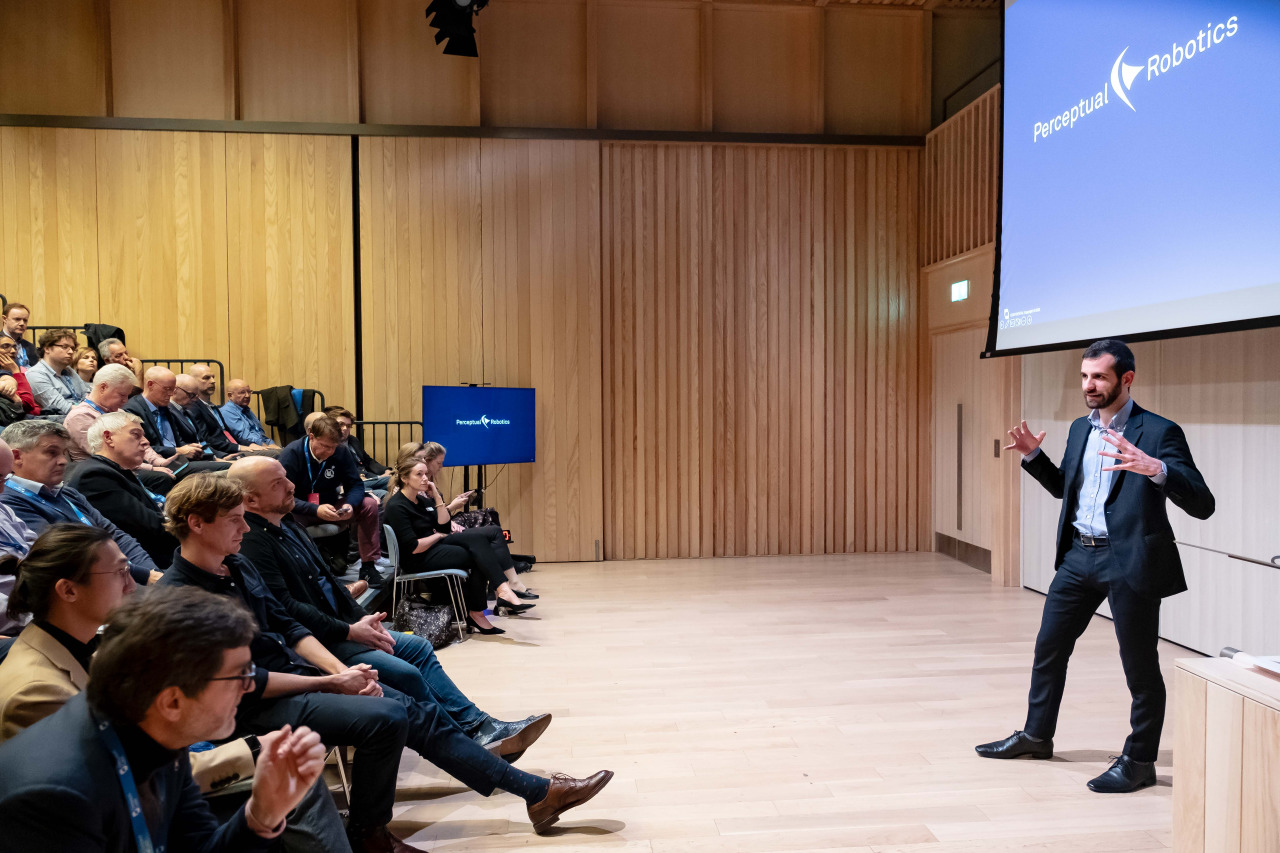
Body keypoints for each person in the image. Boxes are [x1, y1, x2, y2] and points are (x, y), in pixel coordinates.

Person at [158, 473, 614, 851]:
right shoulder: (182, 596)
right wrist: (329, 683)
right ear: (196, 524)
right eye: (234, 519)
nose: (244, 526)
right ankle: (369, 835)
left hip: (297, 677)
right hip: (252, 706)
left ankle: (534, 793)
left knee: (410, 708)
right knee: (389, 715)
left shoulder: (235, 564)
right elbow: (241, 681)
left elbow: (290, 627)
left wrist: (341, 672)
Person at [0, 525, 352, 852]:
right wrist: (255, 749)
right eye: (238, 676)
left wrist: (263, 814)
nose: (248, 686)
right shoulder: (57, 794)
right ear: (171, 702)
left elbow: (200, 845)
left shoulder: (162, 743)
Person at [976, 339, 1216, 793]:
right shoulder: (1079, 429)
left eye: (1100, 377)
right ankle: (1036, 736)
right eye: (1085, 376)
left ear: (1127, 379)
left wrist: (1157, 470)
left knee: (1139, 667)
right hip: (1078, 557)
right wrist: (1033, 457)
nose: (1089, 385)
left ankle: (1140, 761)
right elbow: (1066, 489)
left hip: (1130, 561)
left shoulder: (1158, 431)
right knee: (1049, 648)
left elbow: (1203, 504)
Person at [231, 456, 551, 759]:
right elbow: (288, 610)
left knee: (419, 646)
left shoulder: (288, 525)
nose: (291, 486)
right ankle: (465, 740)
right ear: (251, 499)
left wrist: (366, 621)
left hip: (342, 628)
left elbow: (329, 583)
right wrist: (351, 630)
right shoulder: (253, 542)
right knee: (407, 672)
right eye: (278, 483)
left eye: (286, 477)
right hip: (320, 643)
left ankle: (477, 726)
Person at [0, 419, 159, 586]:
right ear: (17, 457)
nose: (63, 461)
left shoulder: (68, 493)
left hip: (125, 576)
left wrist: (152, 572)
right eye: (52, 453)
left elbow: (115, 535)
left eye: (64, 453)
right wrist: (144, 576)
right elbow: (68, 557)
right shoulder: (10, 503)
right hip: (93, 586)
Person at [384, 457, 533, 635]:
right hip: (417, 558)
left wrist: (436, 496)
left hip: (434, 546)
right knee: (480, 555)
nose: (425, 478)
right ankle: (484, 606)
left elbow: (444, 526)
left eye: (426, 474)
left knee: (482, 542)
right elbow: (414, 547)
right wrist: (438, 535)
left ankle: (499, 593)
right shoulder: (397, 506)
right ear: (404, 478)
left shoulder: (422, 501)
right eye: (419, 474)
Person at [389, 441, 536, 599]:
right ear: (406, 472)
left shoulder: (423, 492)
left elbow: (437, 521)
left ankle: (503, 589)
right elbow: (418, 539)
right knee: (481, 548)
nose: (425, 470)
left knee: (490, 529)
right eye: (421, 461)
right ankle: (499, 592)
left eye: (424, 462)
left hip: (435, 537)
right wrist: (448, 515)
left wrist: (438, 500)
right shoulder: (401, 500)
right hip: (424, 550)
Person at [278, 416, 385, 589]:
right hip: (300, 509)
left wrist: (350, 504)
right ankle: (306, 574)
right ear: (311, 436)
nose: (329, 451)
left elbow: (355, 484)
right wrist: (315, 509)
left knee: (369, 505)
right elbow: (282, 497)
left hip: (332, 507)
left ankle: (368, 566)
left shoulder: (340, 451)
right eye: (325, 446)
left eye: (333, 447)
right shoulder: (292, 453)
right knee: (286, 518)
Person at [65, 411, 179, 569]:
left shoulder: (115, 470)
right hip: (150, 565)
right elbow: (150, 528)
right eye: (136, 435)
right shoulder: (94, 477)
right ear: (108, 438)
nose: (146, 442)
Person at [124, 366, 228, 473]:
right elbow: (140, 448)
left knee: (230, 466)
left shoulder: (166, 408)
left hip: (180, 461)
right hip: (161, 465)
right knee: (227, 468)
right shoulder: (132, 409)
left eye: (173, 389)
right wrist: (178, 450)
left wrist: (189, 448)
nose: (171, 394)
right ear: (151, 385)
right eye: (167, 389)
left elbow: (176, 442)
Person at [177, 373, 273, 456]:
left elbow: (227, 434)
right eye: (206, 378)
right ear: (193, 381)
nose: (213, 381)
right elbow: (205, 439)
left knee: (274, 454)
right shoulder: (193, 408)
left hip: (232, 447)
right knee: (273, 455)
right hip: (223, 451)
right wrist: (237, 448)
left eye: (213, 377)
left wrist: (248, 444)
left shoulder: (212, 407)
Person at [0, 439, 37, 642]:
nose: (2, 491)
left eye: (6, 479)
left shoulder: (3, 510)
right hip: (18, 628)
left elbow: (38, 548)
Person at [325, 406, 389, 492]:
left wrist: (385, 470)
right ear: (331, 425)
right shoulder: (330, 446)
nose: (345, 428)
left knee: (394, 482)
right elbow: (345, 470)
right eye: (341, 424)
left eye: (348, 426)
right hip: (351, 482)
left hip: (367, 478)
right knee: (391, 482)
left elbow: (368, 460)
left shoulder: (353, 440)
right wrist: (379, 477)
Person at [25, 328, 89, 416]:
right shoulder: (35, 374)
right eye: (64, 347)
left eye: (72, 348)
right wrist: (91, 410)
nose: (71, 352)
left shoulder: (69, 370)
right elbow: (62, 408)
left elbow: (87, 395)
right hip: (60, 420)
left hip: (82, 414)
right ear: (47, 348)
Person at [221, 379, 279, 448]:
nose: (247, 396)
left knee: (285, 451)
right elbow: (244, 436)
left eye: (249, 392)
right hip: (246, 447)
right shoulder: (227, 412)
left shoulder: (246, 409)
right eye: (242, 392)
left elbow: (260, 433)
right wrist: (266, 446)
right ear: (230, 395)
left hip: (259, 445)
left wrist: (271, 443)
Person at [0, 336, 38, 416]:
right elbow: (28, 404)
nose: (13, 351)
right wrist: (15, 371)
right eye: (6, 346)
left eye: (14, 347)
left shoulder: (17, 370)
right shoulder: (13, 372)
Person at [0, 303, 37, 369]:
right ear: (5, 319)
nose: (22, 323)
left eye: (25, 320)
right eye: (17, 319)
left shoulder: (30, 346)